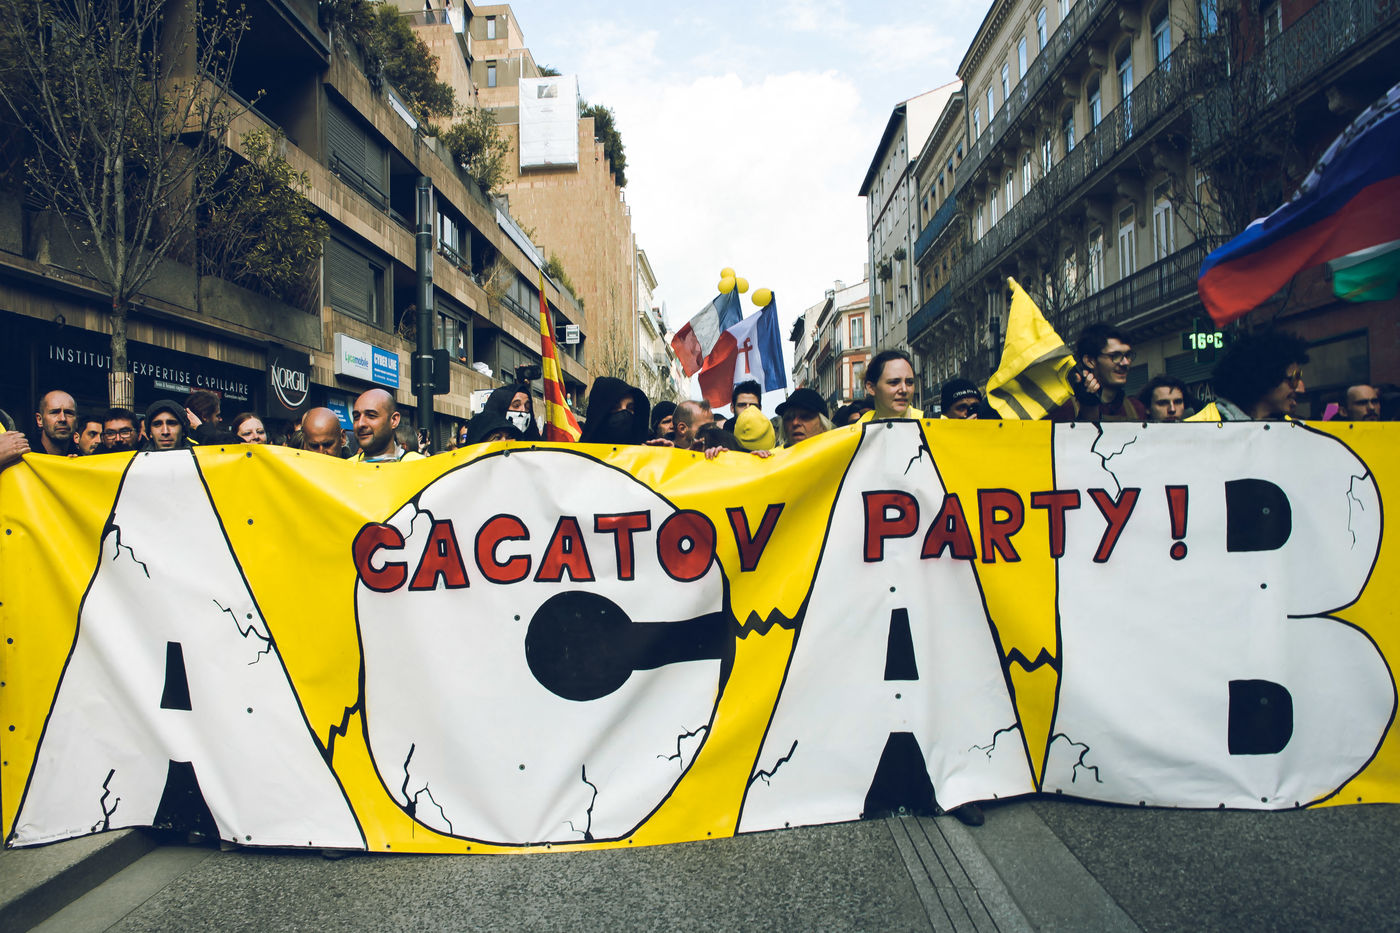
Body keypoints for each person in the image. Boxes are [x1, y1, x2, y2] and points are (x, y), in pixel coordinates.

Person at [1188, 331, 1309, 422]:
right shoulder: (1196, 428)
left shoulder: (1296, 430)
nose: (1300, 388)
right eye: (1294, 378)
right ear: (1265, 377)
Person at [1050, 324, 1146, 422]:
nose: (1125, 363)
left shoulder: (1137, 409)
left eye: (1128, 355)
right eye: (1115, 356)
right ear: (1090, 361)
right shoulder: (1065, 409)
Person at [351, 389, 424, 462]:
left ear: (394, 420)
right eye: (356, 417)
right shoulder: (347, 465)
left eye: (371, 415)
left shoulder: (420, 464)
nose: (360, 424)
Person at [578, 376, 651, 445]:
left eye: (630, 408)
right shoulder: (575, 453)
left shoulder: (644, 451)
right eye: (615, 407)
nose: (624, 413)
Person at [860, 350, 924, 421]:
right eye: (894, 382)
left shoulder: (932, 423)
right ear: (871, 388)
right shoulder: (856, 427)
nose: (904, 390)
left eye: (909, 382)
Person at [32, 390, 79, 456]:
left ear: (76, 421)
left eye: (69, 413)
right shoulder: (23, 457)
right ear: (39, 420)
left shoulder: (83, 460)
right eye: (54, 412)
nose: (63, 419)